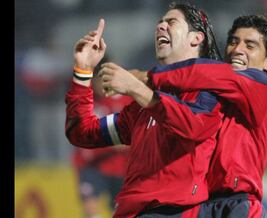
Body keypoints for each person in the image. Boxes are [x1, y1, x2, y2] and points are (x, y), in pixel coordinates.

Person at [65, 3, 224, 218]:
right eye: (159, 22)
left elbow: (193, 126)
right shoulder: (140, 108)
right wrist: (83, 71)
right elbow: (82, 133)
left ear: (196, 38)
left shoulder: (211, 89)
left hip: (174, 212)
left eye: (171, 22)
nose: (160, 26)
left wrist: (136, 87)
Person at [140, 14, 267, 217]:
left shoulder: (264, 87)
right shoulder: (213, 92)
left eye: (250, 45)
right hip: (202, 204)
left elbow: (206, 73)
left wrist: (148, 78)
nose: (237, 49)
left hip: (238, 203)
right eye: (233, 42)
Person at [71, 57, 132, 218]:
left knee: (119, 210)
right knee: (91, 207)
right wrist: (112, 141)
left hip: (121, 167)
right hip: (92, 166)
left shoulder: (127, 100)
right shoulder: (86, 100)